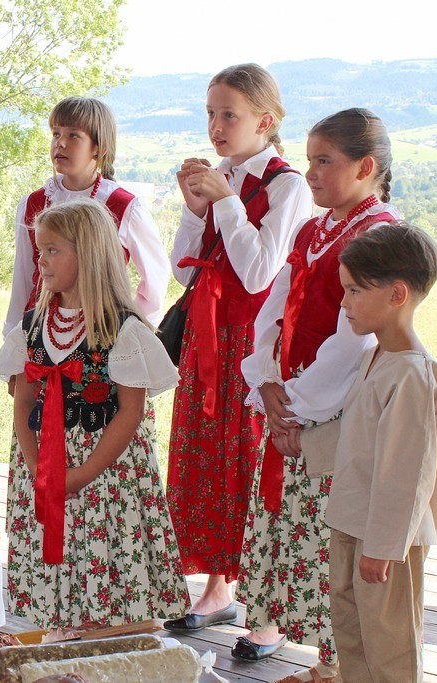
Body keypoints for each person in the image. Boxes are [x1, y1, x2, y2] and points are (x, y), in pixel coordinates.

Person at [236, 109, 400, 678]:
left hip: (336, 413)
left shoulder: (378, 235)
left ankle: (339, 664)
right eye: (308, 160)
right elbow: (274, 307)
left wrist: (297, 406)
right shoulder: (314, 230)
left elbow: (354, 339)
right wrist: (266, 378)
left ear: (365, 167)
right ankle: (326, 662)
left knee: (332, 538)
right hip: (292, 400)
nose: (310, 173)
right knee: (298, 532)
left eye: (324, 161)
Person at [163, 64, 313, 639]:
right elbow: (186, 270)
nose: (216, 126)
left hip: (254, 341)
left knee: (252, 459)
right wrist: (194, 209)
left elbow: (258, 274)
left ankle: (268, 606)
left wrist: (226, 203)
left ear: (265, 121)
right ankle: (218, 586)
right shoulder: (221, 175)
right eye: (211, 113)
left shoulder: (287, 186)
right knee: (208, 458)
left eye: (229, 114)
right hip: (207, 338)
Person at [0, 199, 189, 628]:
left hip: (103, 469)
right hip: (44, 459)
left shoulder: (122, 329)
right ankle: (61, 628)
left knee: (103, 550)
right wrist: (34, 463)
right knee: (57, 547)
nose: (41, 260)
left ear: (89, 254)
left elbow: (130, 413)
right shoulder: (33, 325)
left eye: (52, 250)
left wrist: (81, 474)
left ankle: (108, 633)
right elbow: (22, 400)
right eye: (39, 250)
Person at [327, 223, 437, 682]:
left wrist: (384, 548)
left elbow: (407, 472)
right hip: (354, 525)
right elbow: (361, 437)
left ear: (397, 294)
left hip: (387, 543)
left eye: (354, 290)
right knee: (354, 640)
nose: (344, 302)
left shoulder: (411, 374)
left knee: (390, 648)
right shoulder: (378, 357)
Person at [4, 97, 170, 344]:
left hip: (100, 333)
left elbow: (156, 276)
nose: (60, 143)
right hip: (41, 330)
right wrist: (13, 334)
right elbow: (24, 277)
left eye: (73, 135)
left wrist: (131, 328)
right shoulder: (34, 203)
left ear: (98, 148)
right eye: (56, 134)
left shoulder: (123, 206)